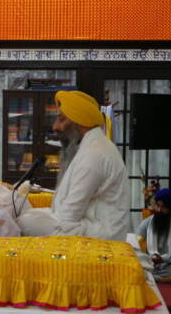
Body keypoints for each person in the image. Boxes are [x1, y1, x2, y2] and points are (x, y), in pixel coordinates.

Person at [17, 90, 130, 241]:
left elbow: (68, 216)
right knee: (26, 214)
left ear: (79, 123)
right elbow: (62, 211)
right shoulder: (90, 146)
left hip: (103, 234)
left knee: (26, 222)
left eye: (62, 120)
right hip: (87, 224)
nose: (55, 126)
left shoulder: (94, 154)